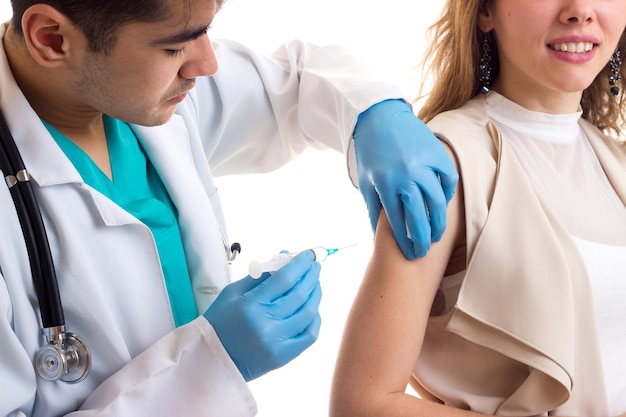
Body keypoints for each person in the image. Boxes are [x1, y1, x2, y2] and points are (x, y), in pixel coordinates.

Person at [0, 0, 458, 416]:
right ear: (51, 38)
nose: (209, 63)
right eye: (176, 47)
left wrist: (374, 113)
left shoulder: (131, 91)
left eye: (208, 29)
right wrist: (210, 364)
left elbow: (296, 82)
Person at [330, 0, 626, 416]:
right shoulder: (447, 165)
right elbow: (362, 404)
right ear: (484, 12)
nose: (579, 10)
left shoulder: (616, 162)